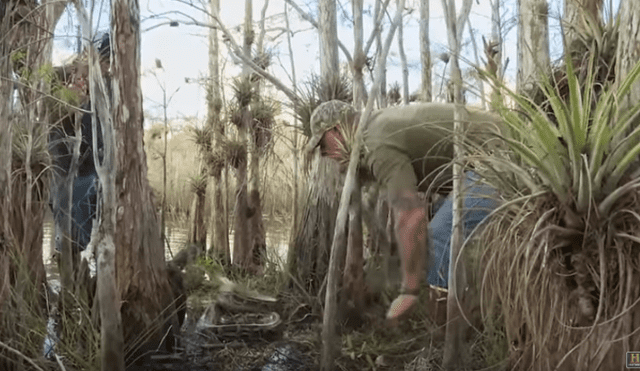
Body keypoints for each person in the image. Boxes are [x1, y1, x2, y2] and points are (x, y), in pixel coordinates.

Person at [306, 100, 502, 324]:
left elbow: (410, 214)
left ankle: (447, 332)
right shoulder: (374, 129)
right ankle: (469, 308)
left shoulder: (375, 141)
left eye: (323, 145)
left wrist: (409, 290)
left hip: (499, 161)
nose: (324, 154)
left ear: (337, 130)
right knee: (439, 221)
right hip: (480, 165)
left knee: (438, 236)